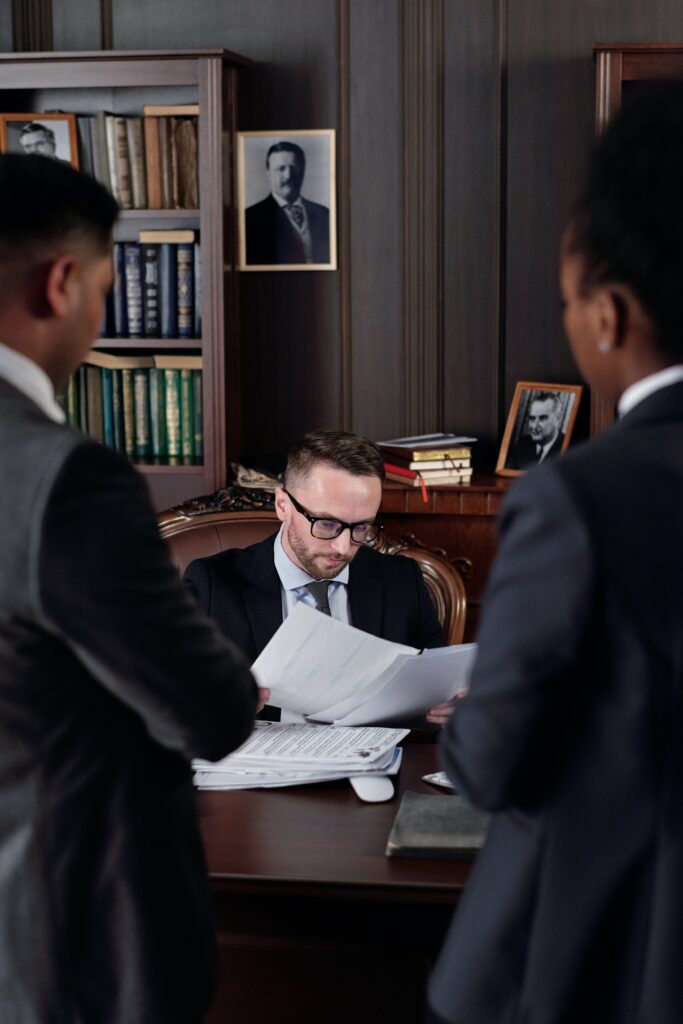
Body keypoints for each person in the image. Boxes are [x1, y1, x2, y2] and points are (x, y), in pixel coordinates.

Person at [428, 82, 683, 1024]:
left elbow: (491, 765)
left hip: (607, 952)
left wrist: (467, 716)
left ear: (608, 315)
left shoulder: (579, 498)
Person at [0, 152, 262, 1023]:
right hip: (65, 941)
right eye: (107, 289)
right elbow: (212, 709)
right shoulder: (66, 479)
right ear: (61, 284)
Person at [185, 429, 453, 724]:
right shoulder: (211, 585)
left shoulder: (402, 581)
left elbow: (435, 695)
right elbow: (172, 706)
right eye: (326, 524)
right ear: (282, 505)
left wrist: (454, 705)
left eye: (361, 528)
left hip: (371, 763)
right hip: (265, 764)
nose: (342, 548)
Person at [245, 140, 330, 265]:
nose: (288, 175)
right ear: (268, 173)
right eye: (281, 168)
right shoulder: (250, 218)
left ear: (303, 170)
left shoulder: (325, 214)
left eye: (294, 167)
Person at [506, 390, 566, 468]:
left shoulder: (568, 447)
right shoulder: (523, 443)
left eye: (542, 418)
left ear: (557, 420)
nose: (534, 426)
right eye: (532, 418)